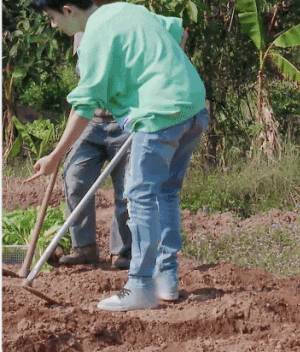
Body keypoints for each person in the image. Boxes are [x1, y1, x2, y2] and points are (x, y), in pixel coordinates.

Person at [29, 0, 208, 311]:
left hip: (159, 114)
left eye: (52, 17)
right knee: (166, 194)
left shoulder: (95, 36)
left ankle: (139, 286)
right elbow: (176, 31)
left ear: (69, 10)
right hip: (193, 106)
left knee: (140, 195)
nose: (53, 26)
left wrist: (56, 155)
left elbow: (84, 106)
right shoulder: (129, 9)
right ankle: (167, 279)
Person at [59, 13, 131, 269]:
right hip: (91, 121)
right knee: (74, 176)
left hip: (127, 121)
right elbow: (86, 89)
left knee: (127, 189)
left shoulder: (124, 26)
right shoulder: (80, 28)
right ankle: (84, 247)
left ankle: (123, 252)